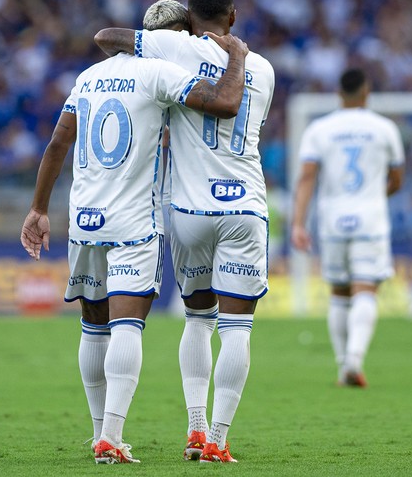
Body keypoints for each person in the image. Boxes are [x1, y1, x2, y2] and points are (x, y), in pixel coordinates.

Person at [20, 29, 249, 465]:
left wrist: (38, 208)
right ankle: (111, 435)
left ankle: (98, 435)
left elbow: (56, 144)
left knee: (92, 327)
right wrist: (237, 57)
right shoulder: (160, 72)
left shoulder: (88, 76)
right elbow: (222, 103)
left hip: (85, 217)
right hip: (132, 222)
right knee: (126, 326)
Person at [94, 0, 275, 463]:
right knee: (237, 329)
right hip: (245, 208)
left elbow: (107, 37)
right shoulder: (263, 68)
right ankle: (216, 439)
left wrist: (160, 42)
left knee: (198, 318)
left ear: (191, 19)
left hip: (190, 211)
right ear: (232, 17)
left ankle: (194, 428)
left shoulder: (174, 48)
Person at [290, 68, 404, 387]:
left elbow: (307, 178)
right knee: (365, 288)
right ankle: (355, 359)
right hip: (370, 217)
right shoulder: (385, 128)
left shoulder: (320, 129)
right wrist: (375, 196)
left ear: (338, 94)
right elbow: (397, 179)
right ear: (367, 92)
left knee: (340, 292)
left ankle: (343, 367)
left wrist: (299, 223)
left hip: (332, 219)